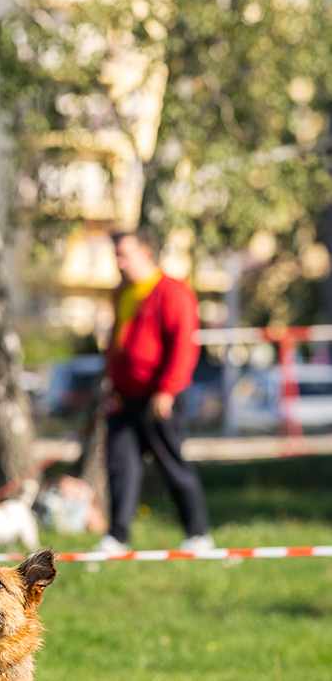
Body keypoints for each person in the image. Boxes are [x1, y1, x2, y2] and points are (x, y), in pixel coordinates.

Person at [94, 227, 213, 555]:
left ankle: (198, 533)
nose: (118, 262)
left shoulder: (172, 292)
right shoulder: (122, 292)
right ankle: (117, 536)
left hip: (160, 397)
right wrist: (112, 385)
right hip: (124, 397)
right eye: (115, 255)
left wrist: (168, 390)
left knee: (171, 463)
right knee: (120, 466)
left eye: (123, 255)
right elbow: (117, 345)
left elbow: (183, 347)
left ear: (146, 253)